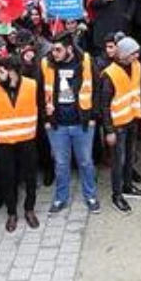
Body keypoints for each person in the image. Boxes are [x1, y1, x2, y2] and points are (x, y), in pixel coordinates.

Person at [39, 30, 100, 214]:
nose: (54, 54)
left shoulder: (86, 61)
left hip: (82, 123)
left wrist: (93, 116)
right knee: (61, 164)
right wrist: (46, 118)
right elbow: (39, 93)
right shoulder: (46, 63)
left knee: (86, 162)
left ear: (69, 48)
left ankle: (90, 196)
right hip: (57, 125)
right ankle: (60, 198)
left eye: (58, 50)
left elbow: (96, 88)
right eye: (53, 50)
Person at [0, 56, 40, 232]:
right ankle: (11, 213)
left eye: (1, 71)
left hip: (28, 141)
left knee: (30, 177)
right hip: (4, 143)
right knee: (8, 179)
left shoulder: (32, 86)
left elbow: (40, 109)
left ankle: (29, 209)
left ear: (12, 72)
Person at [98, 36, 141, 213]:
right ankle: (117, 195)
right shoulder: (109, 74)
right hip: (118, 125)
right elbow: (104, 105)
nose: (137, 56)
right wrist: (109, 130)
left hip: (132, 120)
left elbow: (138, 93)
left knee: (129, 157)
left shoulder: (136, 66)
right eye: (134, 53)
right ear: (125, 54)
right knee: (119, 161)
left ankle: (127, 186)